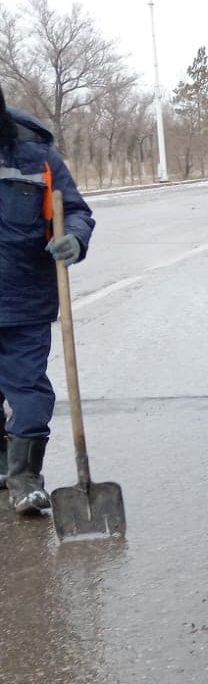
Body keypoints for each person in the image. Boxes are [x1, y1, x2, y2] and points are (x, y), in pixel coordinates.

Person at [1, 88, 94, 516]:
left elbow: (74, 209)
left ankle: (25, 479)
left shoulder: (37, 160)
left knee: (28, 391)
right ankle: (4, 465)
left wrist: (73, 236)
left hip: (24, 300)